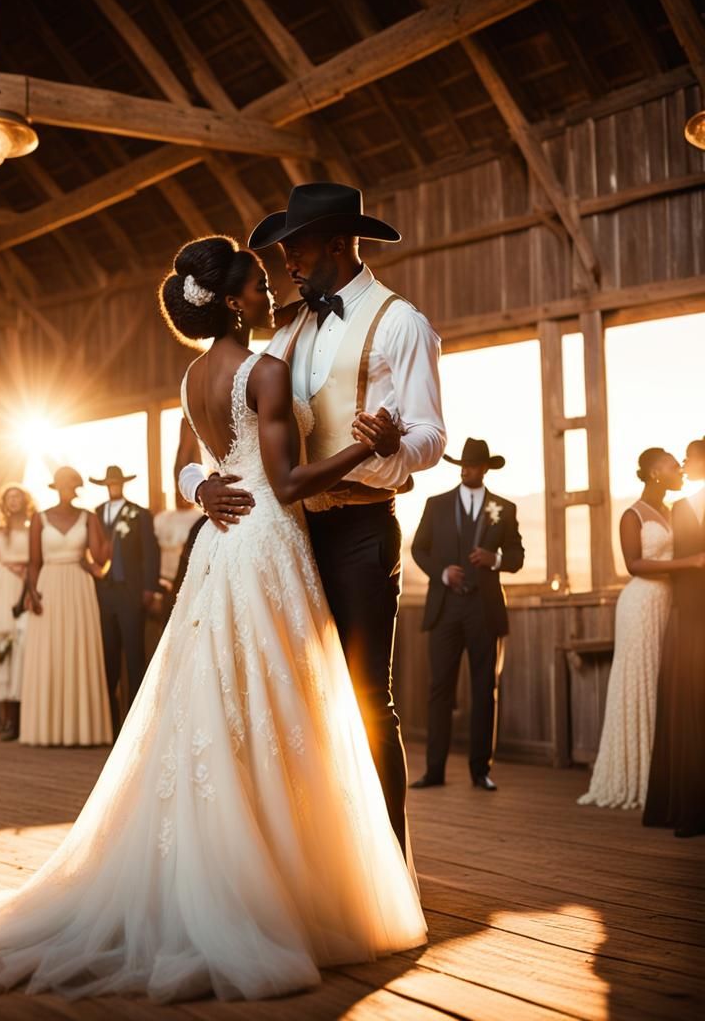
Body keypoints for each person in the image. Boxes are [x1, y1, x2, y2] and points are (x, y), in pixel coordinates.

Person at [0, 236, 426, 1002]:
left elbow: (189, 459)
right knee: (273, 706)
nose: (270, 290)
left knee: (223, 707)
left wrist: (203, 488)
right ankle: (272, 886)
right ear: (235, 300)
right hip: (266, 543)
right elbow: (286, 482)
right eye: (257, 283)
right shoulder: (265, 370)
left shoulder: (192, 377)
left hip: (219, 548)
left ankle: (239, 869)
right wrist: (366, 450)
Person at [178, 184, 446, 851]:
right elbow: (232, 426)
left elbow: (432, 437)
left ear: (336, 243)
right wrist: (200, 486)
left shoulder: (401, 323)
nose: (284, 264)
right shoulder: (288, 325)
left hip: (358, 529)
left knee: (363, 698)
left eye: (293, 249)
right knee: (292, 702)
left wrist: (389, 450)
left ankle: (388, 863)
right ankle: (316, 861)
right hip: (284, 537)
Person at [579, 449, 704, 810]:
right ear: (654, 473)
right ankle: (636, 774)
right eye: (670, 463)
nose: (678, 467)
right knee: (640, 684)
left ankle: (665, 772)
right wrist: (692, 562)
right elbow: (634, 564)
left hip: (673, 605)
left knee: (663, 687)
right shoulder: (631, 515)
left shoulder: (678, 510)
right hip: (641, 604)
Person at [409, 438, 525, 791]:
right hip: (445, 609)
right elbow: (418, 549)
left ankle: (481, 771)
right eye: (462, 464)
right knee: (439, 689)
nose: (466, 470)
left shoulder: (503, 509)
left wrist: (496, 561)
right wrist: (442, 573)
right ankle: (434, 771)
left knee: (483, 688)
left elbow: (517, 558)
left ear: (485, 468)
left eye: (472, 465)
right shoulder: (437, 504)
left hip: (484, 609)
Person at [16, 466, 113, 746]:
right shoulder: (39, 518)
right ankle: (46, 730)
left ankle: (82, 730)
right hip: (49, 585)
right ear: (56, 486)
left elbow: (100, 556)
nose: (67, 487)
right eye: (62, 483)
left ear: (76, 486)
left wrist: (107, 533)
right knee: (50, 652)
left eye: (72, 483)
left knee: (78, 649)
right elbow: (34, 563)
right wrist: (33, 593)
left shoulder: (89, 517)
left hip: (79, 586)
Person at [644, 438, 705, 837]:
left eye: (689, 458)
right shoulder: (681, 508)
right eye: (679, 460)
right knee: (690, 708)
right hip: (692, 616)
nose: (684, 464)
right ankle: (691, 808)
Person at [92, 464, 160, 734]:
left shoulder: (140, 514)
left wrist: (148, 588)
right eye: (109, 482)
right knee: (107, 654)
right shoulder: (95, 514)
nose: (113, 486)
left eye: (116, 482)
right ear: (105, 485)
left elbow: (150, 552)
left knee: (134, 653)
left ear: (123, 484)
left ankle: (136, 722)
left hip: (130, 591)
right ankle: (109, 721)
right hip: (103, 593)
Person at [0, 483, 33, 740]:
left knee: (26, 649)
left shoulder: (33, 526)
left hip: (26, 586)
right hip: (2, 587)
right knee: (3, 649)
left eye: (18, 496)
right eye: (9, 497)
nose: (14, 501)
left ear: (25, 501)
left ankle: (28, 718)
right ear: (4, 502)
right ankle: (6, 720)